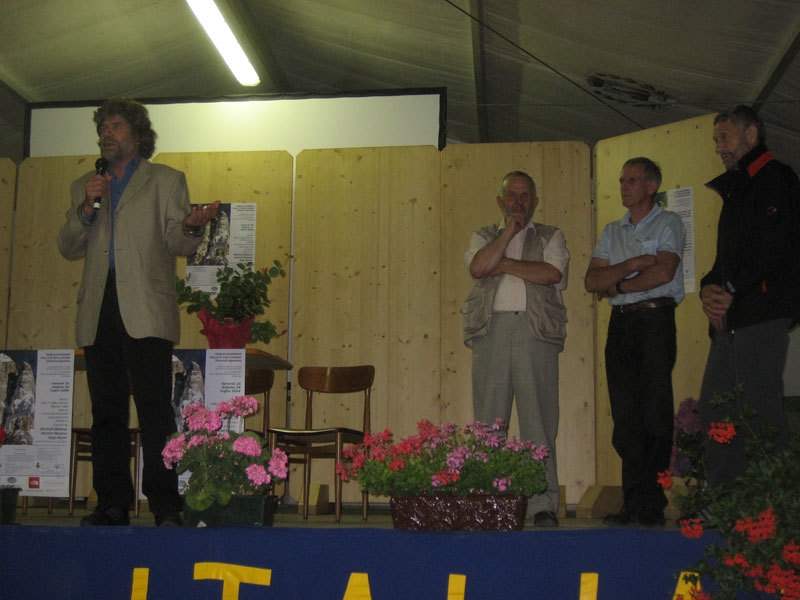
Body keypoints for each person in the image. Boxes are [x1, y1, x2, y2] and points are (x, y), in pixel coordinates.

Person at [57, 98, 219, 526]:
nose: (106, 134)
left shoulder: (166, 180)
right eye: (103, 128)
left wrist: (192, 226)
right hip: (98, 307)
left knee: (154, 409)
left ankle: (165, 504)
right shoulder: (84, 186)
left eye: (115, 126)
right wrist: (85, 210)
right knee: (106, 411)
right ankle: (112, 502)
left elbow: (179, 245)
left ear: (137, 134)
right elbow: (68, 247)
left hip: (145, 307)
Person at [698, 105, 800, 495]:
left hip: (762, 314)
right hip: (733, 318)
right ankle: (727, 499)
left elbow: (775, 249)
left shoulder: (777, 178)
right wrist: (709, 287)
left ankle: (774, 504)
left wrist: (730, 290)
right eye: (716, 140)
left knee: (758, 410)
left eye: (724, 138)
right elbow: (726, 261)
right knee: (716, 408)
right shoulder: (738, 186)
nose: (718, 148)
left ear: (751, 136)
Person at [462, 170, 569, 527]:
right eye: (512, 195)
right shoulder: (483, 235)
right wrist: (508, 231)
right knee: (489, 422)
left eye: (525, 196)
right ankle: (489, 501)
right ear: (500, 201)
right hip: (491, 331)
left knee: (538, 421)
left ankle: (542, 504)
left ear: (535, 201)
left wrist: (503, 264)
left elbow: (551, 274)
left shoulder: (552, 236)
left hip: (536, 333)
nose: (519, 201)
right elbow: (479, 266)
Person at [585, 157, 685, 527]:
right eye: (622, 179)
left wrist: (620, 284)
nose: (624, 185)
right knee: (625, 415)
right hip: (621, 324)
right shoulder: (613, 230)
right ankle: (632, 502)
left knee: (656, 413)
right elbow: (591, 281)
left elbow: (664, 271)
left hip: (656, 321)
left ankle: (651, 503)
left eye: (632, 180)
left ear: (651, 186)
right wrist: (632, 264)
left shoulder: (669, 221)